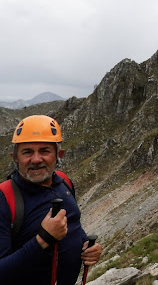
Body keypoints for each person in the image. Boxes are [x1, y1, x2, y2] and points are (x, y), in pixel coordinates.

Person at [0, 115, 102, 284]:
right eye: (27, 152)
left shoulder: (65, 182)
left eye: (45, 151)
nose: (36, 159)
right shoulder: (5, 199)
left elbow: (72, 225)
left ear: (58, 154)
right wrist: (43, 239)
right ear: (15, 157)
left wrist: (86, 246)